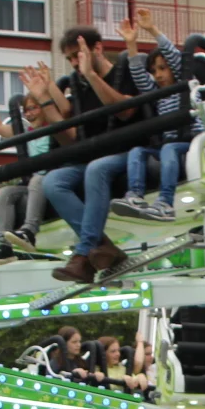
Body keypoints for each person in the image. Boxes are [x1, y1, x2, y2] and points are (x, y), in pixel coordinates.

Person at [41, 28, 139, 284]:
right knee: (52, 181)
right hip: (90, 158)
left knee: (97, 169)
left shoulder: (124, 72)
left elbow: (125, 112)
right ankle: (103, 245)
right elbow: (73, 138)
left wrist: (92, 76)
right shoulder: (79, 85)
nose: (75, 63)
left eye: (78, 55)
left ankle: (84, 254)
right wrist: (44, 101)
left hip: (128, 153)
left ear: (97, 48)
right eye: (70, 59)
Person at [112, 11, 195, 222]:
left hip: (191, 142)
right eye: (154, 70)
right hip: (168, 145)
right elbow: (140, 77)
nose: (158, 75)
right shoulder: (159, 94)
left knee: (168, 148)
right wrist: (131, 45)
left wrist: (152, 30)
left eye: (162, 69)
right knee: (137, 152)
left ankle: (166, 202)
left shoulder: (185, 85)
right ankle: (135, 195)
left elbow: (175, 57)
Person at [0, 65, 60, 256]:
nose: (29, 114)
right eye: (26, 110)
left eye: (33, 108)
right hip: (32, 184)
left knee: (37, 180)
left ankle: (29, 230)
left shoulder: (56, 128)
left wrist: (47, 86)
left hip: (50, 179)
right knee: (5, 192)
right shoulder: (26, 133)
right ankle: (4, 245)